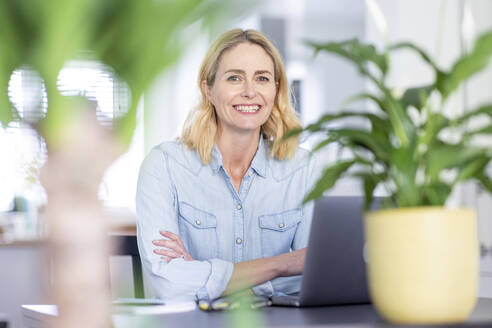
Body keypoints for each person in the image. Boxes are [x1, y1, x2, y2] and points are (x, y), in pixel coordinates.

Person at [136, 29, 319, 302]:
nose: (249, 91)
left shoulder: (304, 169)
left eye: (262, 78)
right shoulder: (164, 166)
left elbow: (314, 278)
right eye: (234, 78)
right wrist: (281, 265)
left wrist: (203, 275)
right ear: (207, 89)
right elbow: (168, 285)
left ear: (276, 89)